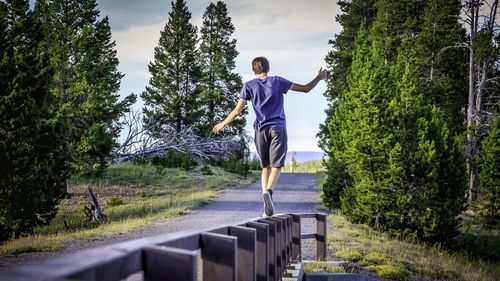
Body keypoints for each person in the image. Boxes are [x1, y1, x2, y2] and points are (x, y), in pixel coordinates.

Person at [212, 56, 327, 217]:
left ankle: (265, 207)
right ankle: (269, 194)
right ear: (268, 68)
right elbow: (306, 88)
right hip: (277, 128)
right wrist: (319, 78)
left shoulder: (249, 86)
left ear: (254, 70)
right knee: (276, 166)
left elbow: (237, 111)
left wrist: (222, 124)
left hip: (260, 131)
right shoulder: (278, 81)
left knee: (265, 167)